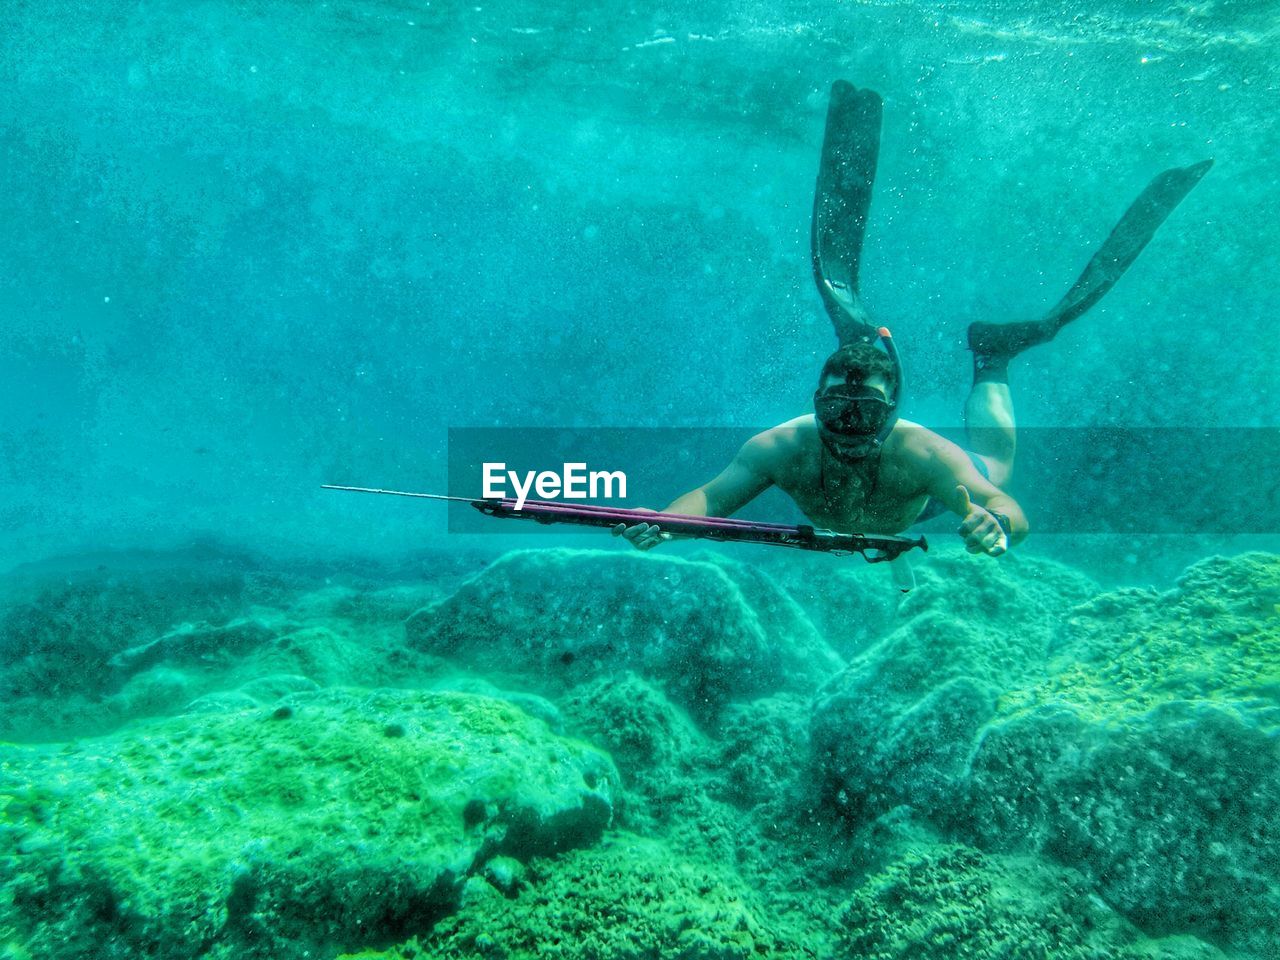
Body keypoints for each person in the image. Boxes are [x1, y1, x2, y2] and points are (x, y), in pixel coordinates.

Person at [614, 81, 1211, 558]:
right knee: (874, 369)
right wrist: (664, 523)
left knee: (997, 463)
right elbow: (710, 500)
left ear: (894, 410)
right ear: (814, 401)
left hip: (923, 500)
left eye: (865, 410)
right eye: (836, 407)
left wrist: (996, 527)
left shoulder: (925, 456)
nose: (848, 426)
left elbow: (1006, 508)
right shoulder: (780, 447)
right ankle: (882, 344)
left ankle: (992, 357)